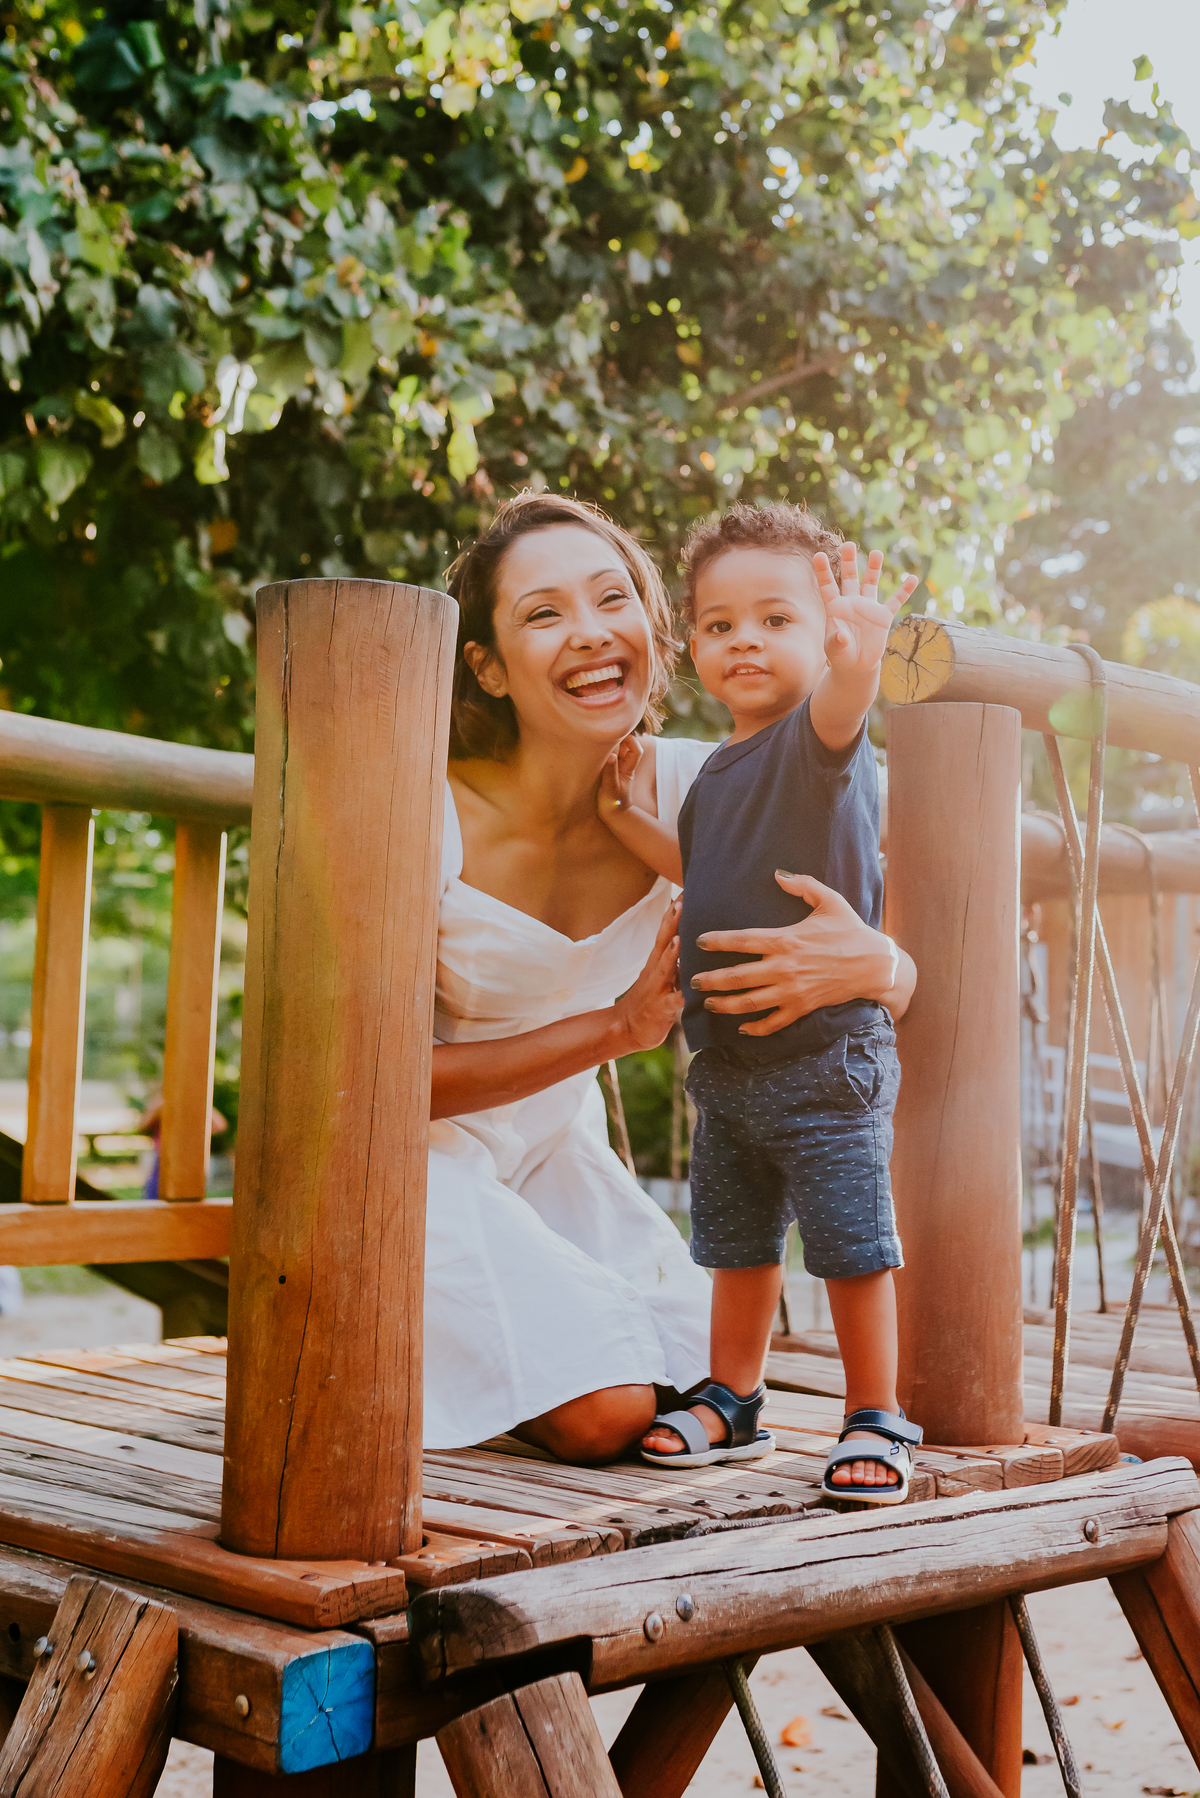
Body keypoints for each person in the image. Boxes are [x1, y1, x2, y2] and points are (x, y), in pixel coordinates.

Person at [427, 491, 917, 1465]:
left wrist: (884, 963)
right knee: (611, 1409)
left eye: (612, 600)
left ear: (653, 633)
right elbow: (371, 1085)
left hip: (552, 1156)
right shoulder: (428, 806)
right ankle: (422, 1341)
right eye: (543, 613)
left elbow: (877, 852)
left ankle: (865, 1413)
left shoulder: (703, 780)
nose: (591, 634)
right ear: (484, 664)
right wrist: (615, 1029)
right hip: (411, 1160)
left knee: (707, 1356)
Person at [599, 501, 920, 1501]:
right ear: (692, 642)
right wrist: (615, 810)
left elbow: (844, 707)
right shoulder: (718, 772)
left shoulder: (811, 743)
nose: (745, 639)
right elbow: (697, 863)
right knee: (735, 1243)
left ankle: (877, 1412)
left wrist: (857, 658)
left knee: (849, 1243)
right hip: (730, 1065)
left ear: (821, 634)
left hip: (826, 1054)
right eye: (721, 622)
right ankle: (735, 1395)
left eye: (776, 619)